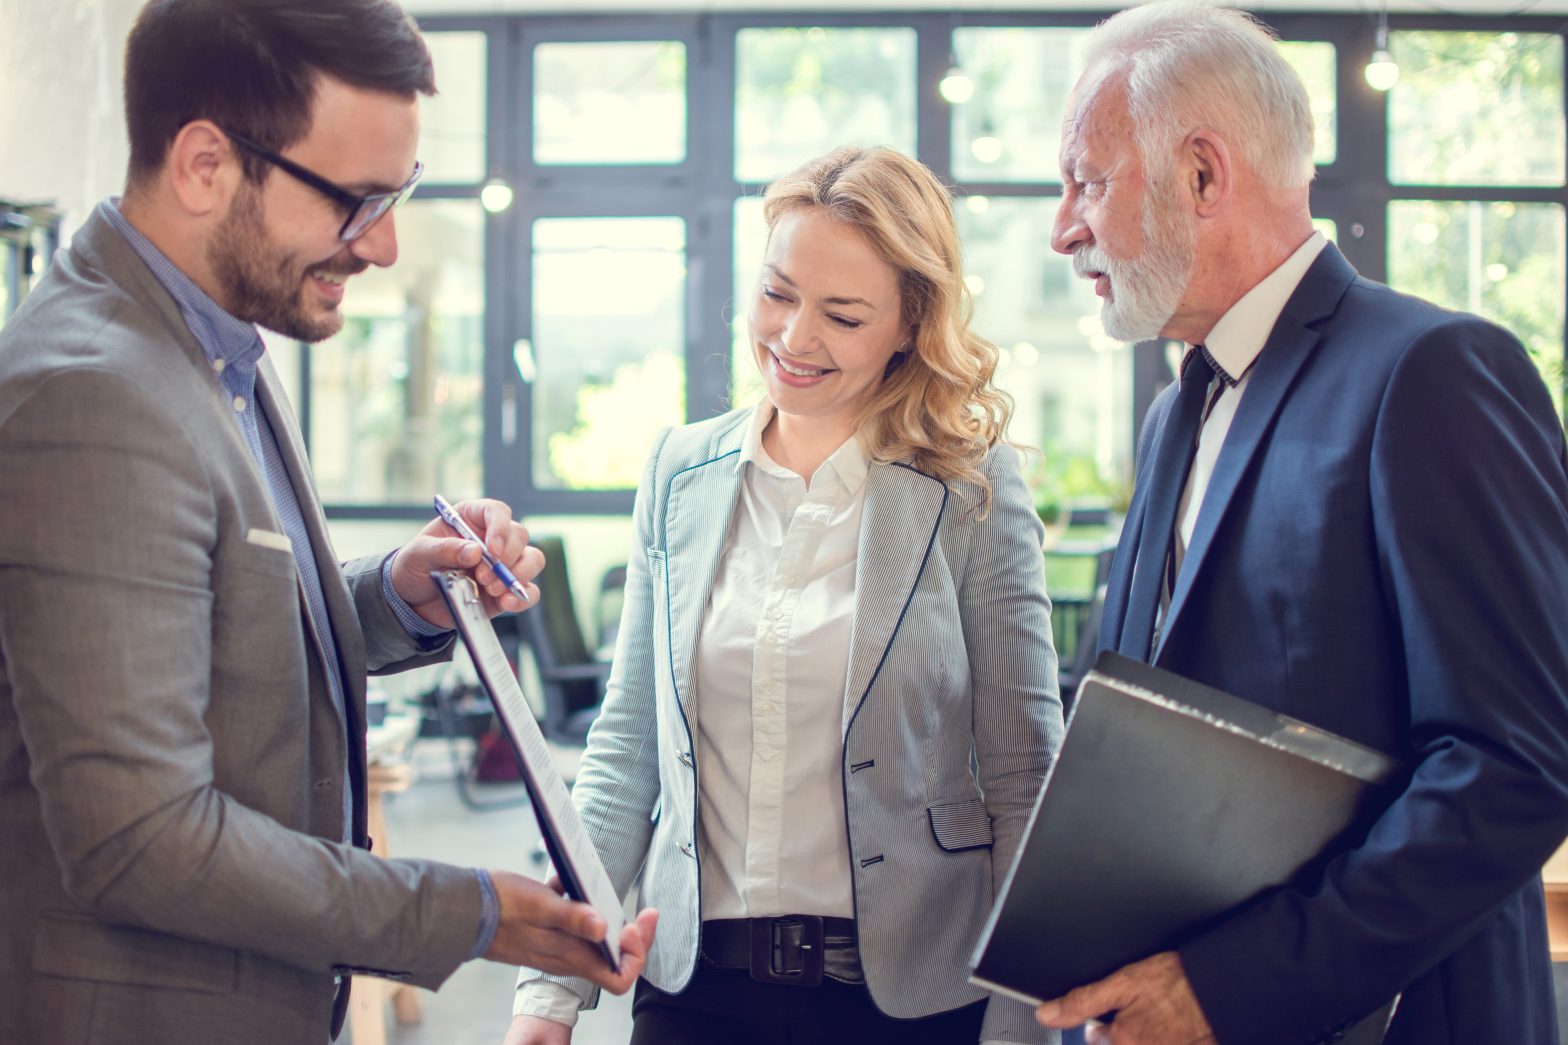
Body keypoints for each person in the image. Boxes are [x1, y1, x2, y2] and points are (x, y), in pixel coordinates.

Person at [0, 3, 655, 1043]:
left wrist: (400, 586)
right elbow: (141, 838)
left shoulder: (214, 347)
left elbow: (222, 618)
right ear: (207, 165)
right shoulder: (94, 392)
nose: (386, 246)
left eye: (397, 196)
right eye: (355, 201)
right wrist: (472, 911)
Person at [1034, 3, 1568, 1043]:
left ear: (1201, 175)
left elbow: (1512, 767)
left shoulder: (1432, 372)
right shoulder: (1169, 413)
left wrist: (1226, 988)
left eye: (1086, 181)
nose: (1061, 226)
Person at [504, 145, 1064, 1045]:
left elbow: (1024, 777)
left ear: (910, 324)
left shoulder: (970, 490)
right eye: (777, 292)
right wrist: (547, 992)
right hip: (698, 997)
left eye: (843, 315)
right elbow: (624, 753)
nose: (794, 339)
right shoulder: (680, 472)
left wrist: (1020, 1024)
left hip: (912, 1002)